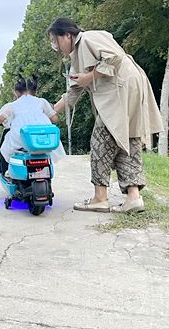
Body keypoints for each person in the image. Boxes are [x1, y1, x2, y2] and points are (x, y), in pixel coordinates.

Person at [47, 17, 162, 213]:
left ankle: (100, 198)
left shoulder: (88, 38)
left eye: (54, 40)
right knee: (127, 140)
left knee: (100, 141)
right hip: (129, 88)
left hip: (121, 88)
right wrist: (50, 112)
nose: (55, 46)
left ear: (67, 34)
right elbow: (73, 91)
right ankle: (134, 198)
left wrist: (89, 77)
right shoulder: (76, 58)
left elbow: (115, 57)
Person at [0, 76, 65, 167]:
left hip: (21, 139)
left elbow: (1, 118)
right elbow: (54, 119)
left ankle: (9, 170)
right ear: (36, 91)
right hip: (43, 139)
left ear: (16, 92)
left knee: (5, 149)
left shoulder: (13, 105)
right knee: (49, 148)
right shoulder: (41, 102)